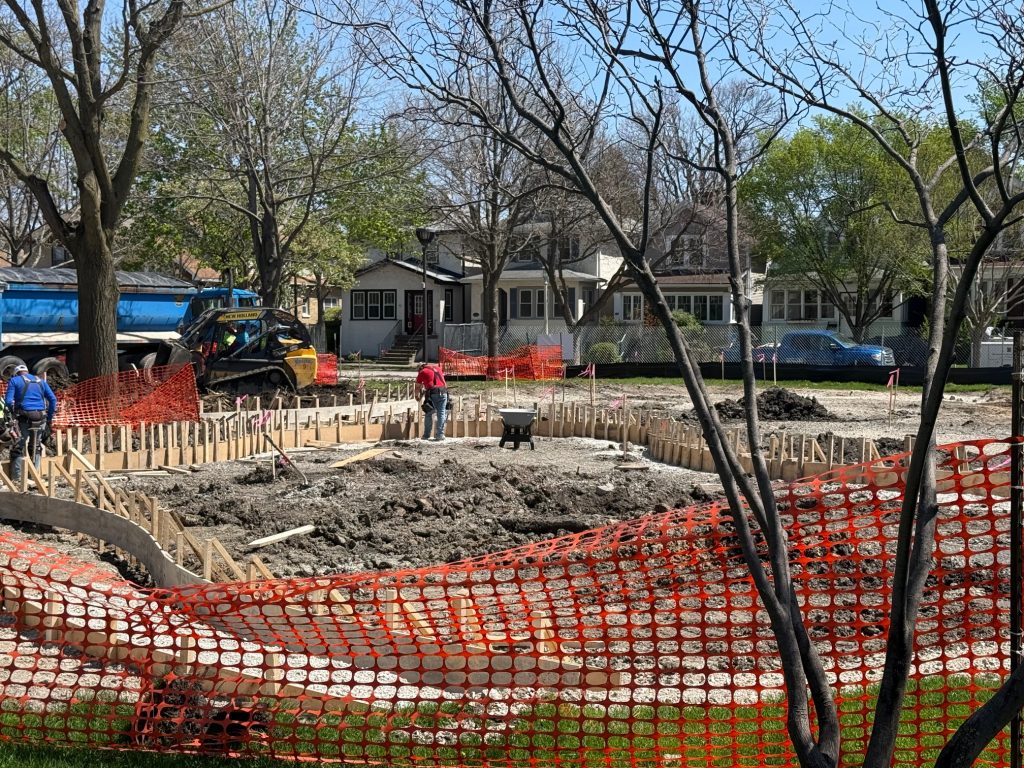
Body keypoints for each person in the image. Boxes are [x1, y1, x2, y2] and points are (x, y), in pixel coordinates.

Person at [4, 364, 57, 482]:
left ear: (17, 373)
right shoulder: (40, 381)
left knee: (19, 445)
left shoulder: (14, 380)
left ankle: (17, 478)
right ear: (27, 372)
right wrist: (49, 417)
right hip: (40, 417)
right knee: (36, 446)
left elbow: (8, 401)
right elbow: (53, 399)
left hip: (24, 417)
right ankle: (34, 475)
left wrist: (12, 413)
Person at [415, 362, 449, 441]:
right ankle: (440, 435)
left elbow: (417, 386)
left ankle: (426, 435)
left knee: (429, 413)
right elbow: (444, 383)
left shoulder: (422, 372)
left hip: (433, 393)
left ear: (420, 368)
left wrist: (416, 396)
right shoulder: (438, 368)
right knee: (441, 413)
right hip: (443, 392)